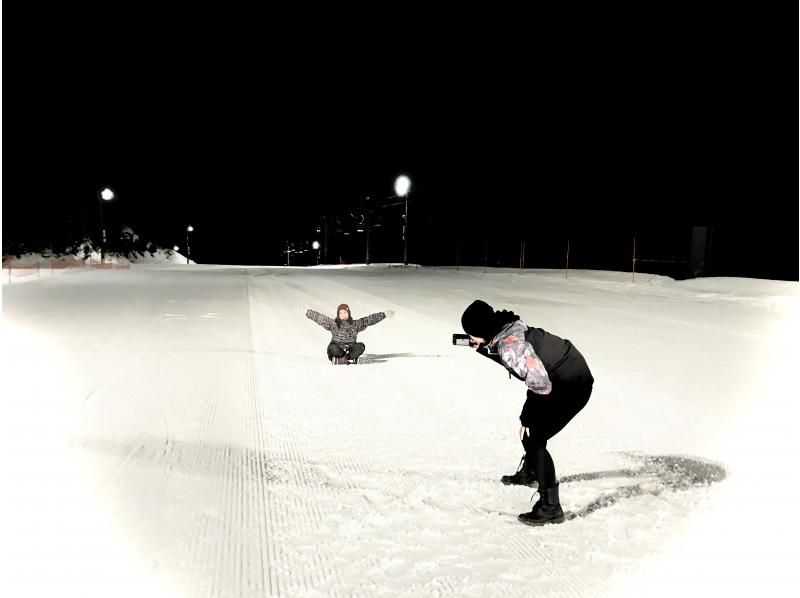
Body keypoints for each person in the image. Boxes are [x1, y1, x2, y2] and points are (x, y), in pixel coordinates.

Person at [460, 299, 594, 526]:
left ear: (483, 330)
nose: (470, 338)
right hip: (566, 369)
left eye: (472, 334)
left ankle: (550, 506)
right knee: (529, 431)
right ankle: (532, 471)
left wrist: (528, 415)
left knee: (534, 436)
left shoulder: (511, 346)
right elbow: (511, 356)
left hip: (572, 383)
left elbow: (539, 383)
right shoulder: (506, 328)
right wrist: (482, 346)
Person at [304, 303, 393, 364]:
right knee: (332, 347)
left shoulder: (355, 324)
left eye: (345, 312)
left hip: (350, 348)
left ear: (348, 313)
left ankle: (346, 358)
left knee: (361, 346)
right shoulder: (333, 324)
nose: (343, 314)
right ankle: (342, 358)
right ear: (338, 314)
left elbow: (369, 320)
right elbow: (321, 318)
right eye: (340, 313)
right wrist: (308, 312)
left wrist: (384, 314)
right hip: (336, 350)